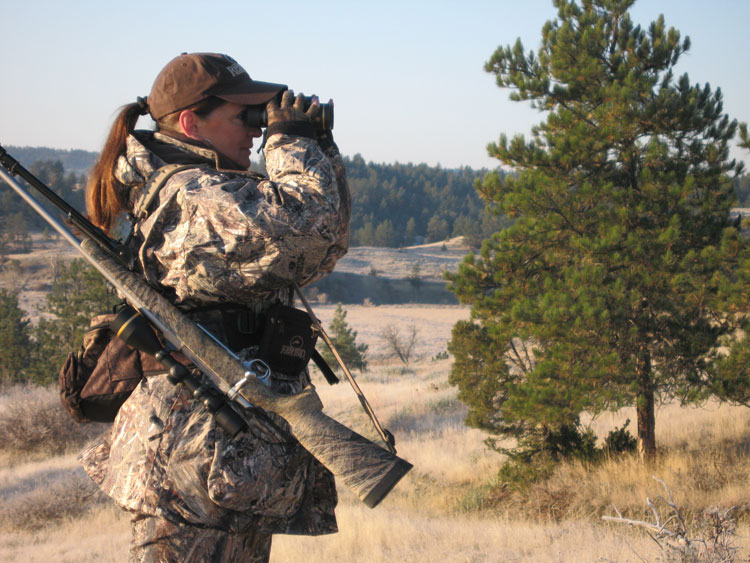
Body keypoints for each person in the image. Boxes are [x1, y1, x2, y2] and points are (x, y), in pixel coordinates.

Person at [78, 52, 350, 562]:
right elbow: (307, 229)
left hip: (228, 459)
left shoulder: (221, 189)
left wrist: (319, 147)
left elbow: (326, 244)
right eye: (241, 116)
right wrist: (293, 142)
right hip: (190, 466)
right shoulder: (190, 195)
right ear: (190, 123)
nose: (255, 131)